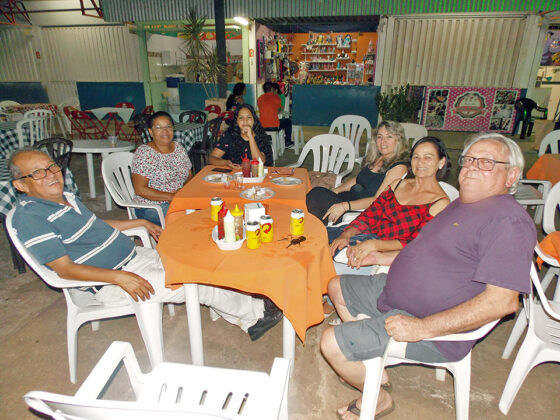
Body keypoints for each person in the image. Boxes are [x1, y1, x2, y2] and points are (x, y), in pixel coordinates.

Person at [320, 133, 536, 419]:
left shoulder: (508, 222)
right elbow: (419, 247)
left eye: (486, 162)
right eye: (470, 159)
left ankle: (379, 397)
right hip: (394, 289)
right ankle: (372, 362)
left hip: (430, 322)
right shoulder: (463, 203)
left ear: (511, 175)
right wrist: (379, 257)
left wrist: (422, 328)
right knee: (335, 286)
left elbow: (503, 303)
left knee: (329, 343)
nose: (471, 167)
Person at [10, 148, 283, 341]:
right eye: (37, 173)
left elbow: (97, 226)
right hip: (110, 283)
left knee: (200, 260)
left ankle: (236, 307)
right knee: (193, 280)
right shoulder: (30, 216)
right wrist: (119, 277)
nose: (50, 175)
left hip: (134, 257)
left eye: (52, 166)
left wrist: (140, 223)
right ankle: (255, 317)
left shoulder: (66, 197)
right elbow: (65, 270)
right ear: (21, 185)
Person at [328, 136, 451, 270]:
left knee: (324, 253)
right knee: (312, 238)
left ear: (441, 162)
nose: (420, 162)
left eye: (428, 157)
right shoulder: (397, 184)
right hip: (363, 236)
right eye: (416, 157)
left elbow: (415, 242)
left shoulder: (440, 203)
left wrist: (375, 245)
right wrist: (346, 234)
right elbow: (369, 215)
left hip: (383, 253)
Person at [306, 121, 409, 225]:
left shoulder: (399, 167)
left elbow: (378, 201)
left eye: (389, 137)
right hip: (348, 199)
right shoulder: (379, 158)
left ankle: (318, 231)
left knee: (316, 195)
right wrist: (336, 190)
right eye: (379, 137)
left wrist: (344, 206)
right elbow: (357, 179)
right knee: (314, 197)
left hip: (359, 211)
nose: (383, 141)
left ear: (399, 140)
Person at [131, 111, 191, 226]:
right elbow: (140, 189)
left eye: (168, 126)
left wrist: (183, 191)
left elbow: (189, 175)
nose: (165, 131)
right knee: (187, 217)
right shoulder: (145, 153)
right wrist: (172, 196)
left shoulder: (178, 148)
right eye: (158, 127)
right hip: (151, 206)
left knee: (210, 207)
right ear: (150, 131)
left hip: (179, 198)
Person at [209, 104, 273, 168]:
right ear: (237, 121)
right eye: (241, 118)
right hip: (235, 175)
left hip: (258, 175)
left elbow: (259, 162)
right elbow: (212, 158)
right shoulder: (229, 136)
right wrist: (226, 162)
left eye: (249, 117)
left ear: (254, 120)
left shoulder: (261, 136)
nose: (245, 121)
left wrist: (250, 137)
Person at [257, 81, 293, 148]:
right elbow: (279, 110)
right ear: (271, 89)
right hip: (274, 125)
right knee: (288, 121)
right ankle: (288, 141)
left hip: (262, 125)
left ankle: (270, 140)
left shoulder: (259, 99)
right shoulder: (276, 97)